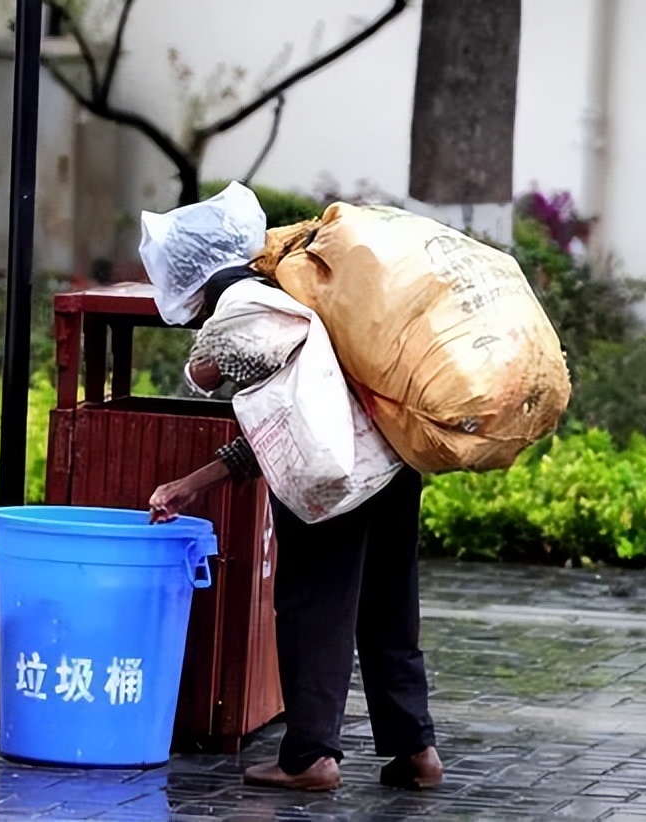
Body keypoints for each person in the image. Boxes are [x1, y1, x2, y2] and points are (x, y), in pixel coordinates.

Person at [148, 264, 443, 793]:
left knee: (314, 610)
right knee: (389, 610)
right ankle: (417, 750)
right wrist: (191, 485)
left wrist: (190, 482)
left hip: (334, 482)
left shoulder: (255, 311)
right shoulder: (328, 311)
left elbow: (259, 413)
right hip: (395, 466)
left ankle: (311, 757)